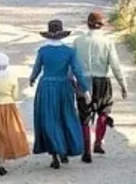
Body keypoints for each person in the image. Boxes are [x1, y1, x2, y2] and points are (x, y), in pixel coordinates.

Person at [29, 19, 91, 169]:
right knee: (66, 116)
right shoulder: (69, 51)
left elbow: (37, 68)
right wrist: (85, 89)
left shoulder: (43, 51)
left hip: (47, 86)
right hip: (64, 86)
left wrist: (32, 79)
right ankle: (65, 149)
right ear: (62, 35)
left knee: (49, 119)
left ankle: (55, 154)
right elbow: (77, 71)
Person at [72, 10, 127, 163]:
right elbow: (115, 65)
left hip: (84, 81)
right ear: (102, 25)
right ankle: (98, 141)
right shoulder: (107, 42)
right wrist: (122, 84)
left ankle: (86, 149)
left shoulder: (77, 41)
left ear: (87, 25)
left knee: (84, 115)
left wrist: (71, 80)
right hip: (102, 80)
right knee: (104, 110)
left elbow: (73, 64)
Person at [0, 52, 31, 176]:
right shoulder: (12, 76)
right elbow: (15, 95)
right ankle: (2, 161)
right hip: (9, 107)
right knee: (7, 134)